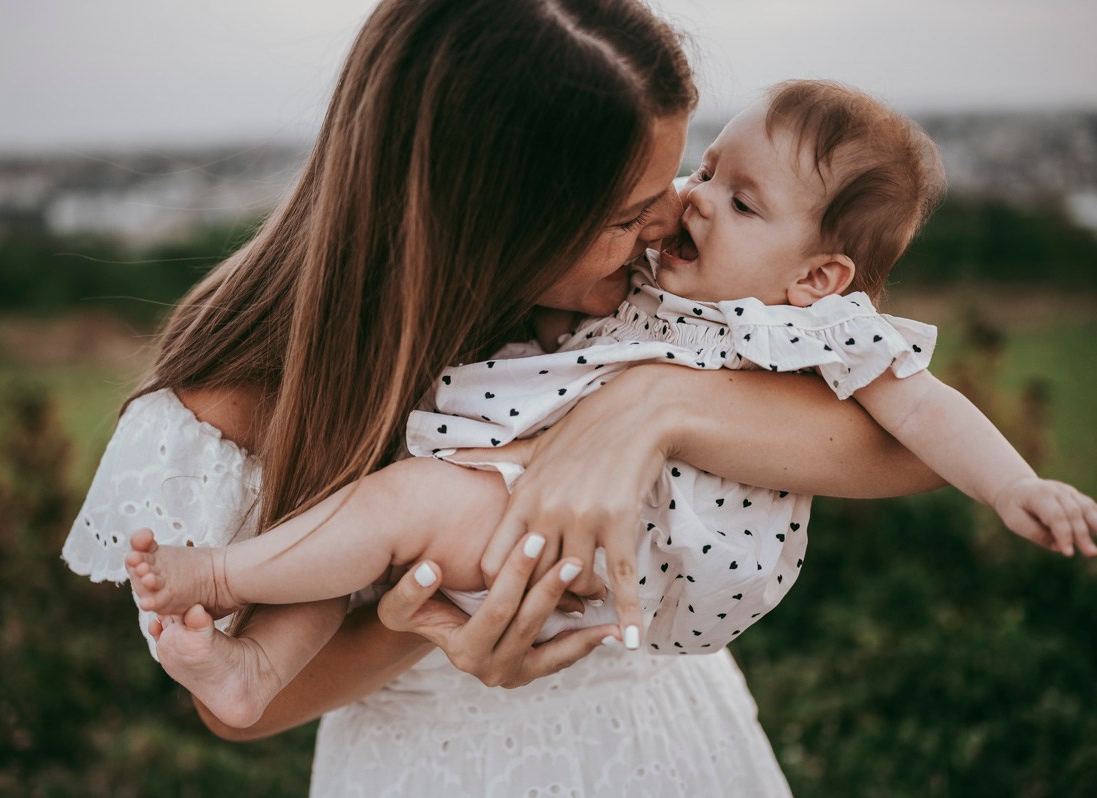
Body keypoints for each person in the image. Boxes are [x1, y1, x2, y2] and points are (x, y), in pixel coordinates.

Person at [63, 2, 946, 795]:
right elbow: (238, 706)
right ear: (486, 220)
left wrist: (648, 408)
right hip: (428, 768)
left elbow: (909, 448)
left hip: (669, 741)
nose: (672, 221)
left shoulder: (639, 307)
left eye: (673, 186)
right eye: (626, 215)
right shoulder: (239, 389)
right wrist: (423, 620)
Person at [120, 79, 1097, 729]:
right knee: (378, 527)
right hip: (512, 567)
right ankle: (251, 666)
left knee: (397, 507)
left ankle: (221, 575)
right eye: (704, 172)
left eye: (740, 201)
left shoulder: (809, 329)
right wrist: (409, 629)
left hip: (631, 556)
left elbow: (920, 424)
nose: (689, 202)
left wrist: (1016, 485)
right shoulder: (644, 295)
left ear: (818, 275)